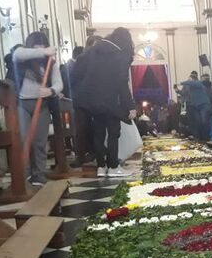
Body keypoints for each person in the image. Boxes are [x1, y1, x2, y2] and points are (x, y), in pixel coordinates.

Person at [72, 27, 137, 178]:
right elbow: (122, 82)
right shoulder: (120, 55)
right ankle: (113, 166)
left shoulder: (92, 51)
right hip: (110, 100)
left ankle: (101, 166)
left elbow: (76, 72)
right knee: (114, 133)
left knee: (99, 133)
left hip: (91, 99)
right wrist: (130, 106)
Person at [13, 32, 63, 187]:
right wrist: (43, 51)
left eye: (43, 47)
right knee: (24, 140)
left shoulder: (50, 63)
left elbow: (58, 83)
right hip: (22, 104)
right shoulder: (22, 59)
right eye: (37, 47)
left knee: (39, 142)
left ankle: (39, 174)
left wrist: (51, 90)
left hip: (42, 105)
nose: (41, 51)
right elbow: (16, 54)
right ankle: (24, 174)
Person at [181, 72, 212, 141]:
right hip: (196, 106)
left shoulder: (199, 83)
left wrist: (182, 83)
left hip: (204, 105)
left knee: (204, 121)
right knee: (198, 122)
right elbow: (185, 94)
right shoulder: (191, 87)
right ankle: (200, 138)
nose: (189, 80)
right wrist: (178, 91)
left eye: (190, 79)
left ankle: (206, 138)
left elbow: (193, 83)